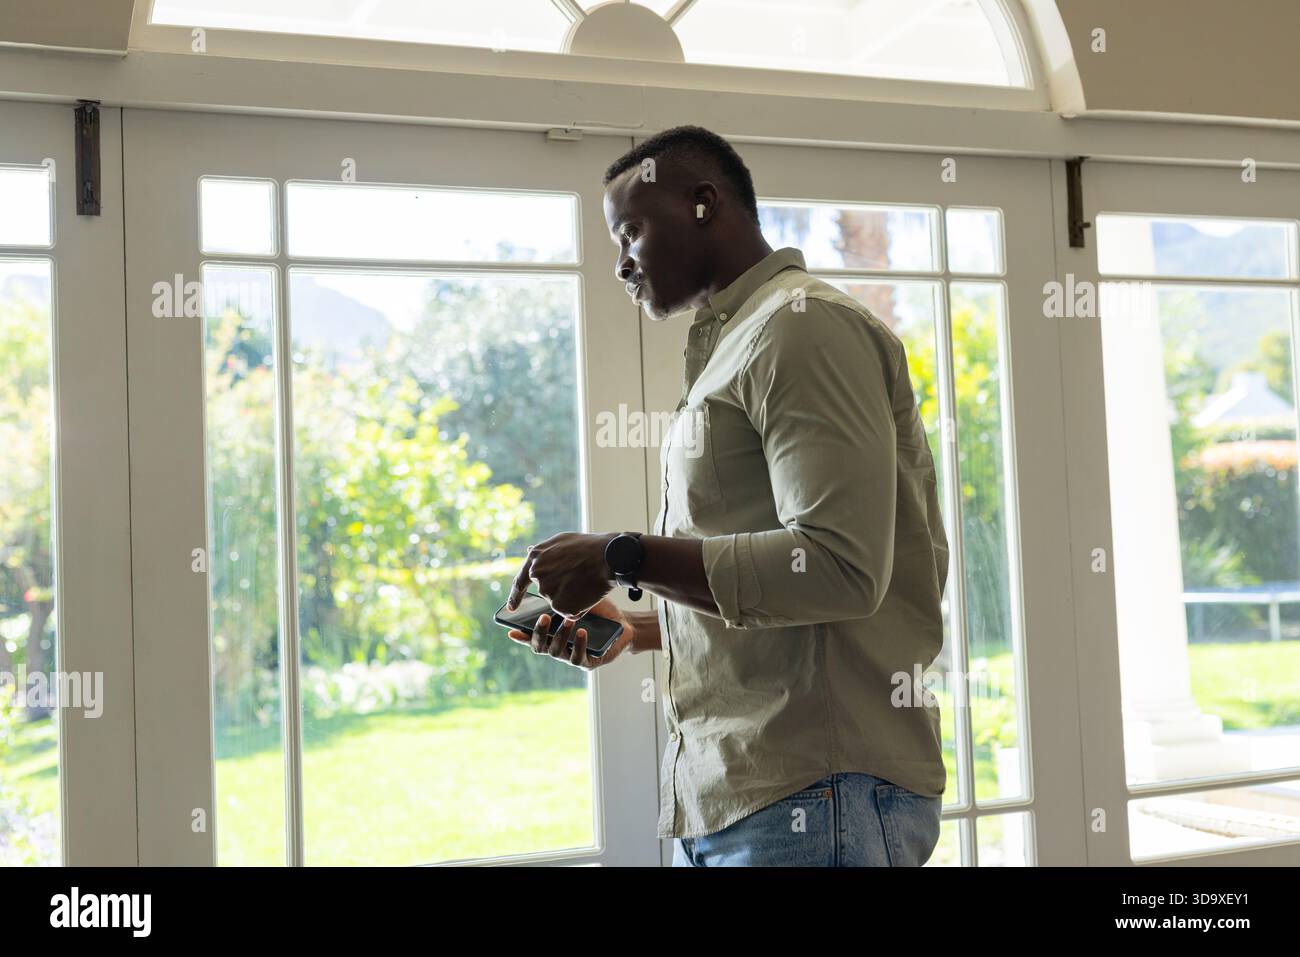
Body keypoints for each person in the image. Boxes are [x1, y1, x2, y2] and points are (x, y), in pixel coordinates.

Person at [504, 125, 948, 867]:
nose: (620, 264)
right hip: (742, 797)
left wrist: (623, 555)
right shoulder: (739, 344)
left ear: (704, 203)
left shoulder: (803, 330)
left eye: (631, 232)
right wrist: (641, 628)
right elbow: (775, 584)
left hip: (814, 796)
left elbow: (839, 566)